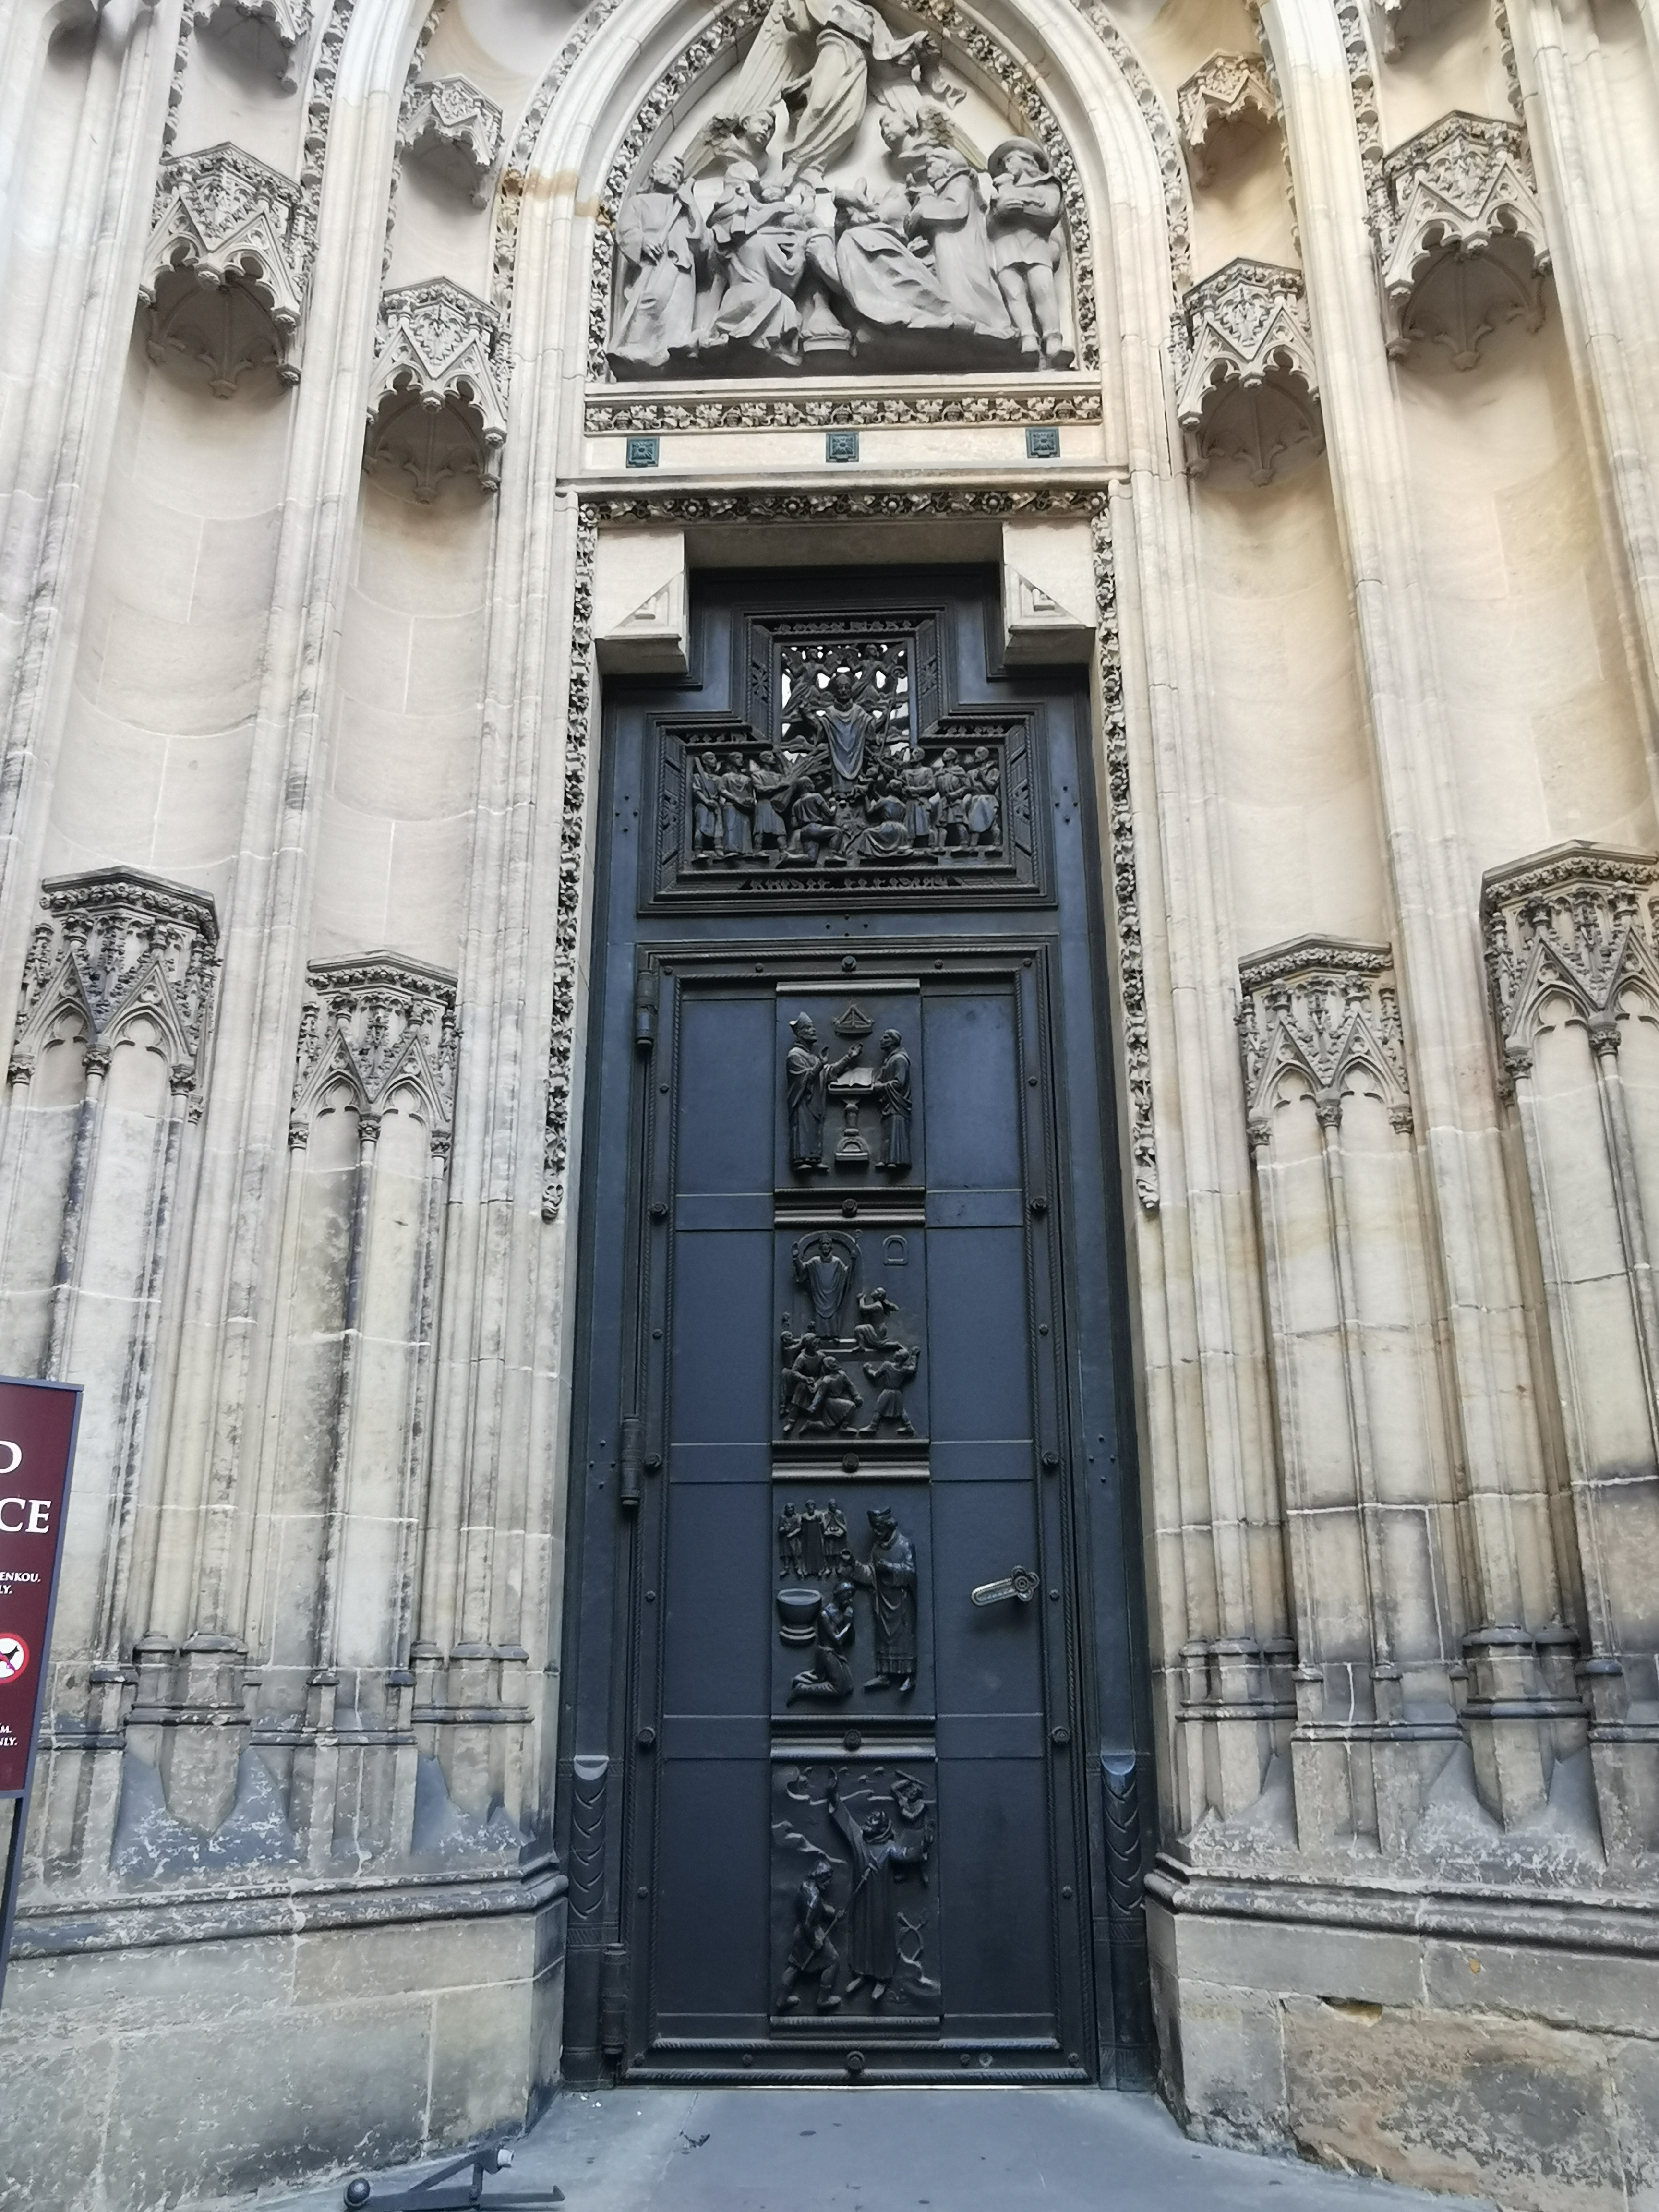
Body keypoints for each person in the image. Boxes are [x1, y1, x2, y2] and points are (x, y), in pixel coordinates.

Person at [827, 1769, 930, 2002]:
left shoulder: (889, 1848)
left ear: (881, 1828)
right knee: (861, 1936)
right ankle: (861, 1974)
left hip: (880, 1903)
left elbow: (907, 1854)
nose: (867, 1825)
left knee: (880, 1939)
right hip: (862, 1901)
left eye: (872, 1823)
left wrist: (924, 1845)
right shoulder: (859, 1840)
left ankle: (882, 1979)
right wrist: (833, 1794)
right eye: (868, 1822)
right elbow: (846, 1820)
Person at [609, 156, 706, 372]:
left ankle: (673, 351)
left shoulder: (681, 207)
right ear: (654, 171)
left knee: (676, 312)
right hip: (652, 263)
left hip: (681, 265)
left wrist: (691, 204)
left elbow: (700, 240)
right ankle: (639, 349)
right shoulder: (638, 202)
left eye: (679, 173)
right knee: (649, 304)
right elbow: (626, 231)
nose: (675, 174)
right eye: (671, 168)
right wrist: (643, 241)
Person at [906, 147, 1014, 342]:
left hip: (963, 245)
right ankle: (967, 320)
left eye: (932, 164)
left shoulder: (961, 182)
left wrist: (922, 212)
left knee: (972, 282)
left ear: (948, 165)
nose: (928, 171)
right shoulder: (945, 189)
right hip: (949, 245)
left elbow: (956, 210)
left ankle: (993, 323)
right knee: (954, 284)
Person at [986, 137, 1071, 366]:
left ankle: (1053, 339)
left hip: (1035, 243)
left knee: (1042, 288)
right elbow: (989, 227)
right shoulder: (1000, 191)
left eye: (1010, 160)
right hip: (1005, 245)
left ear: (1026, 161)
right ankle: (1027, 337)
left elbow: (1051, 212)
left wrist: (1021, 208)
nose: (1006, 166)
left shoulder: (1046, 185)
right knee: (1014, 291)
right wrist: (998, 212)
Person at [850, 1505, 916, 1690]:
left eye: (880, 1528)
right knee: (884, 1638)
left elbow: (911, 1573)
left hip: (901, 1602)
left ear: (889, 1525)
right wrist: (854, 1564)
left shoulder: (904, 1545)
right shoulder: (877, 1548)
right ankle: (884, 1674)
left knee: (904, 1637)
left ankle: (909, 1676)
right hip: (883, 1600)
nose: (877, 1533)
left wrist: (889, 1567)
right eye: (874, 1529)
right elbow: (870, 1574)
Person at [785, 1014, 860, 1168]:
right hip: (803, 1103)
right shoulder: (795, 1055)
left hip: (815, 1102)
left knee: (814, 1131)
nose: (813, 1030)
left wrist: (849, 1057)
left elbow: (829, 1072)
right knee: (803, 1129)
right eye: (808, 1028)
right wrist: (820, 1064)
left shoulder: (812, 1057)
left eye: (813, 1027)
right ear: (799, 1034)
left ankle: (814, 1159)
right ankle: (802, 1160)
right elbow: (805, 1078)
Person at [778, 1855, 842, 2008]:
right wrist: (815, 1942)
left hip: (800, 1934)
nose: (827, 1883)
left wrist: (834, 1913)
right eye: (826, 1880)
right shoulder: (814, 1897)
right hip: (810, 1934)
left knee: (795, 1965)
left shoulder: (806, 1887)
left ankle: (781, 2000)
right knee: (833, 1960)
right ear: (819, 1877)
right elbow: (808, 1923)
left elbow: (820, 1908)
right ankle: (823, 2000)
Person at [788, 1578, 856, 1701]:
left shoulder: (843, 1613)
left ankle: (802, 1681)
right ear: (840, 1594)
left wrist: (850, 1622)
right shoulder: (825, 1614)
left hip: (838, 1654)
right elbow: (837, 1640)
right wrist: (848, 1625)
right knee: (839, 1689)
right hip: (827, 1653)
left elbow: (851, 1641)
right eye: (848, 1596)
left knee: (848, 1687)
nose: (850, 1600)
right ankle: (802, 1689)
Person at [875, 1028, 912, 1169]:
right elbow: (882, 1078)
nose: (881, 1040)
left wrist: (881, 1087)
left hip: (898, 1103)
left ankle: (897, 1161)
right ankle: (886, 1159)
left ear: (893, 1041)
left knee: (897, 1130)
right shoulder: (889, 1060)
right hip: (889, 1102)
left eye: (885, 1038)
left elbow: (899, 1083)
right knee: (888, 1130)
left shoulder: (900, 1059)